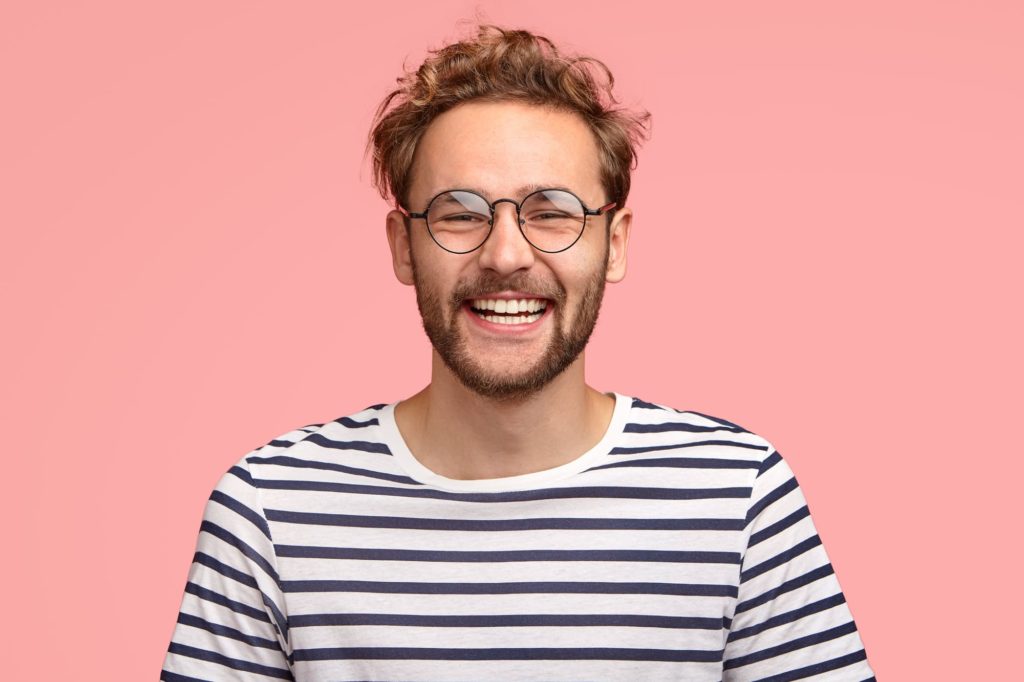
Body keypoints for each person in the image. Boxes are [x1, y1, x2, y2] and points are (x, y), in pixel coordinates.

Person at [162, 25, 874, 681]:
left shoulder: (737, 496)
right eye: (460, 214)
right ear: (403, 247)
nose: (506, 255)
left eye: (552, 212)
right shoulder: (271, 509)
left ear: (615, 244)